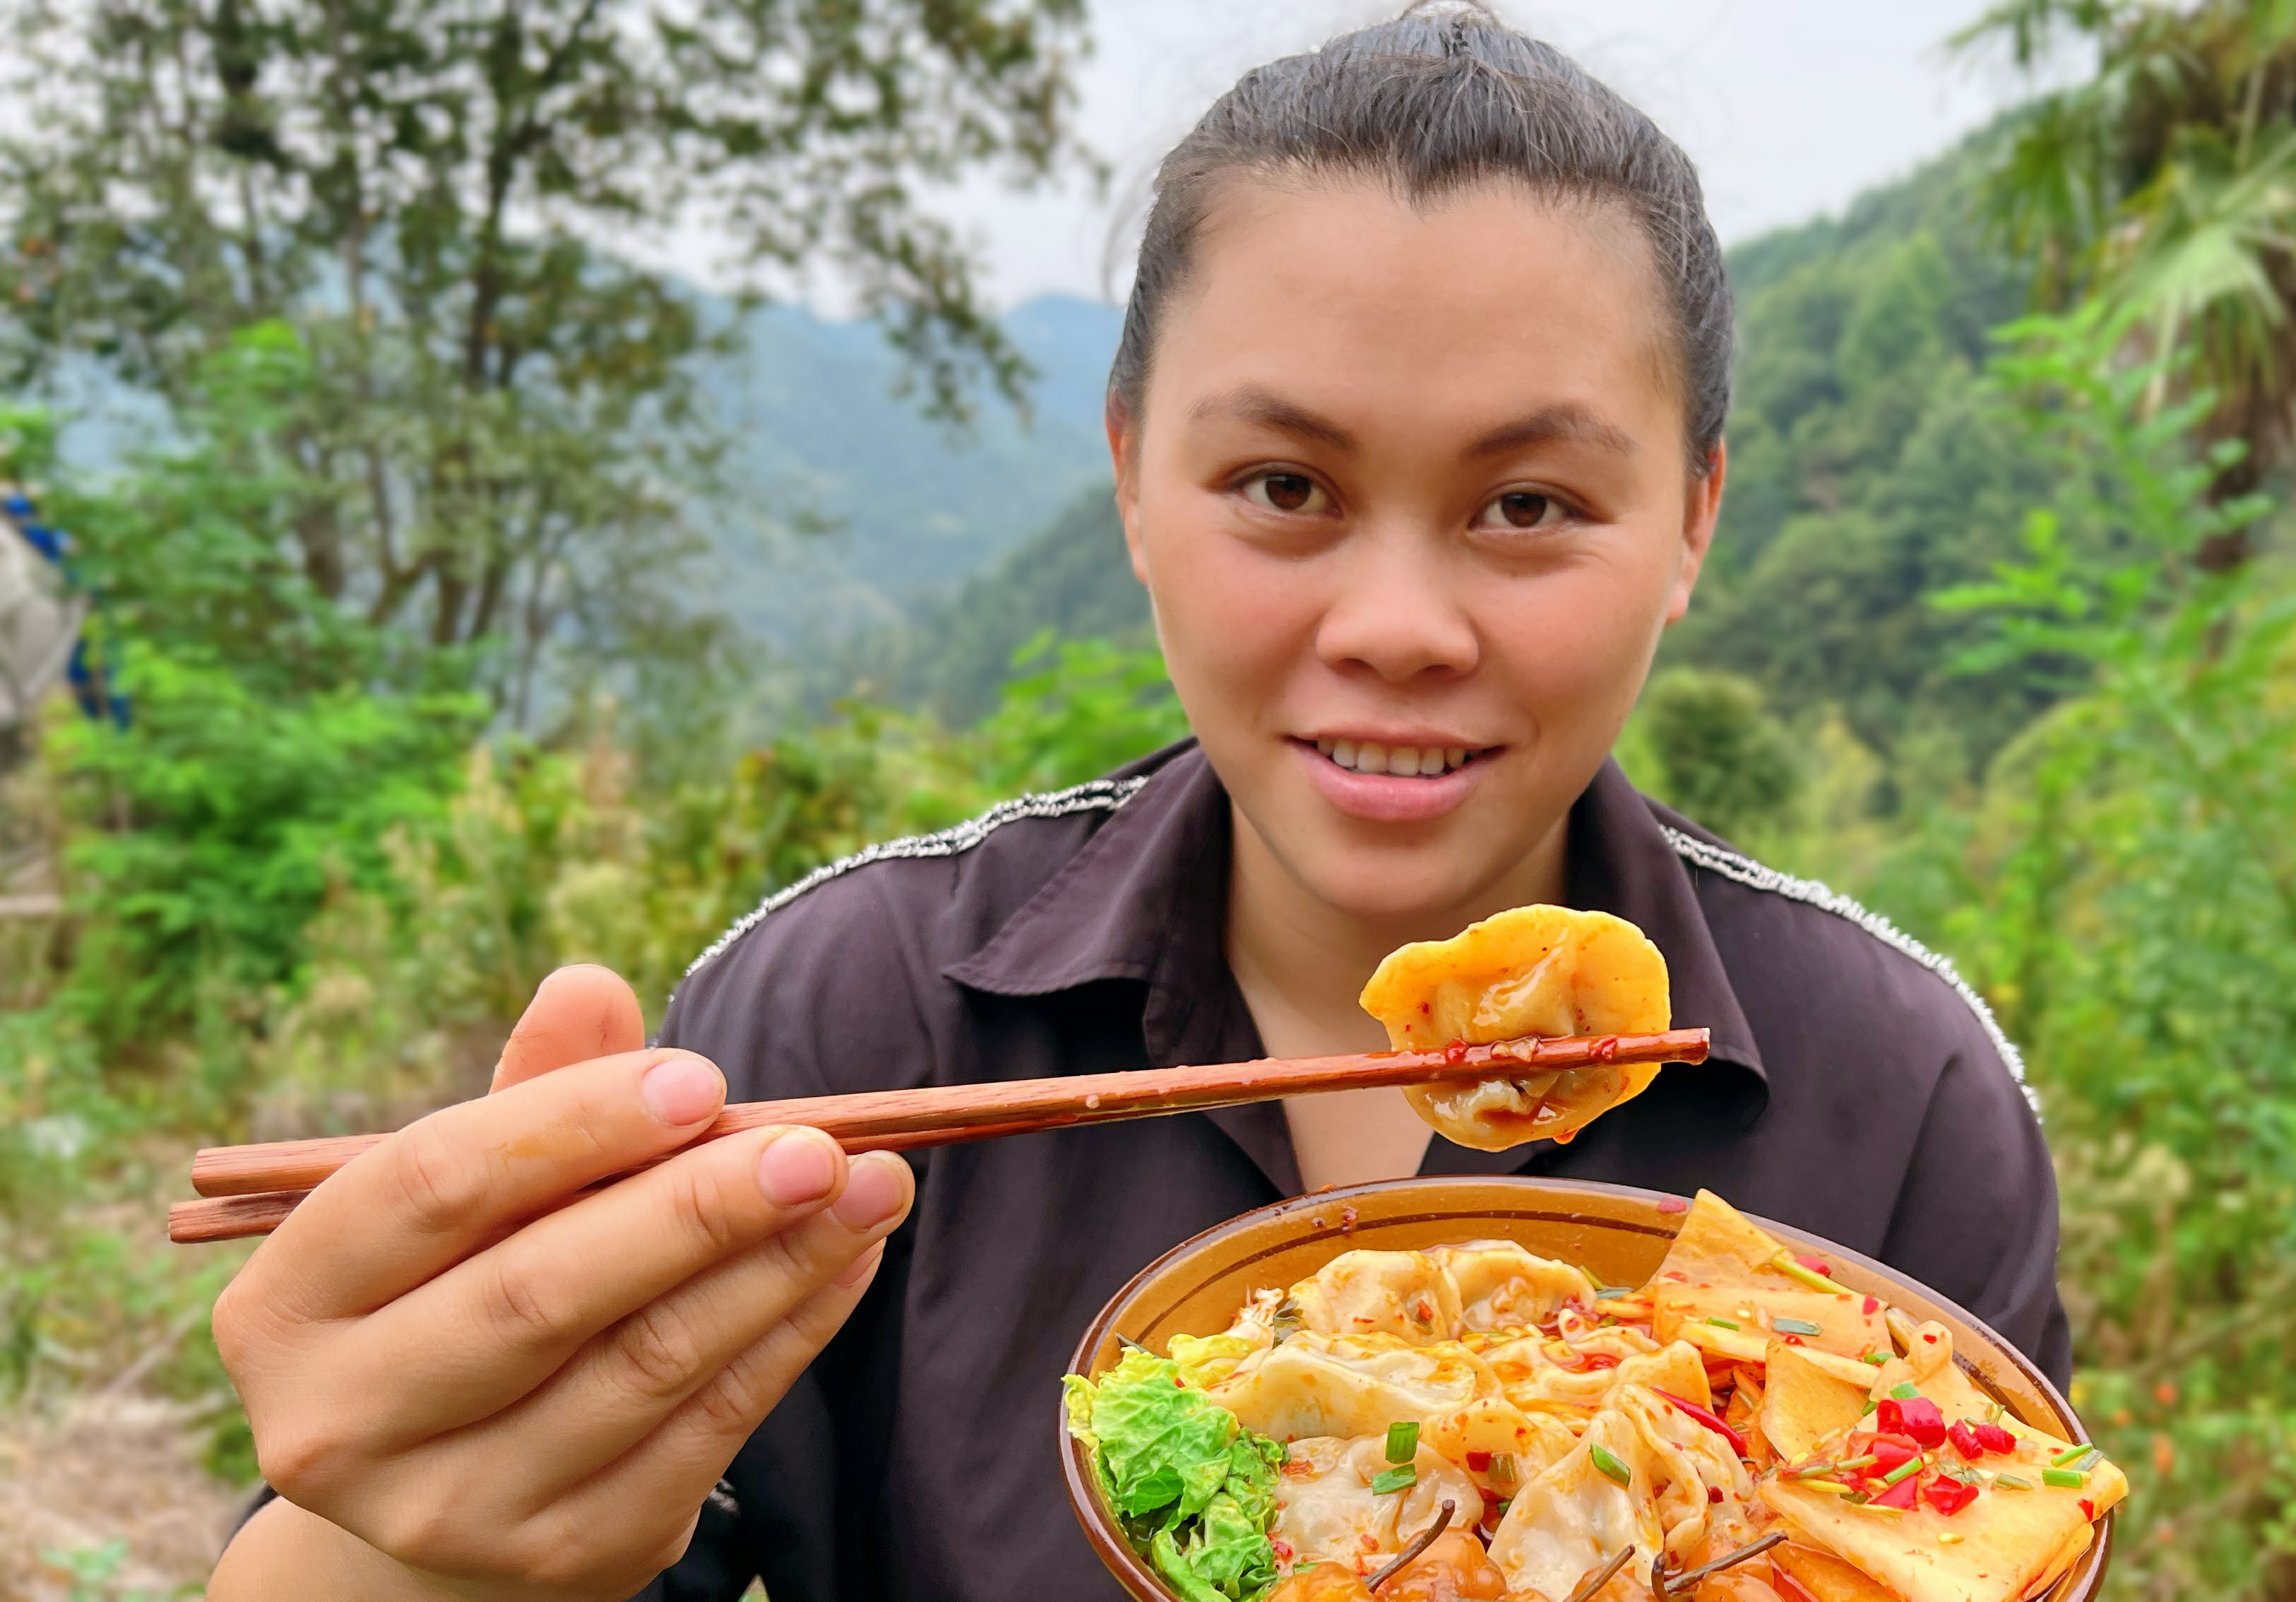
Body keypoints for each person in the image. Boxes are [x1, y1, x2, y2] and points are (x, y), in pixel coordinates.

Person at [206, 8, 2066, 1600]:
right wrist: (395, 1540)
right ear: (1127, 481)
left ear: (1695, 522)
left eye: (1528, 506)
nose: (1400, 628)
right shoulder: (850, 1022)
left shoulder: (1899, 1093)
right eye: (1281, 482)